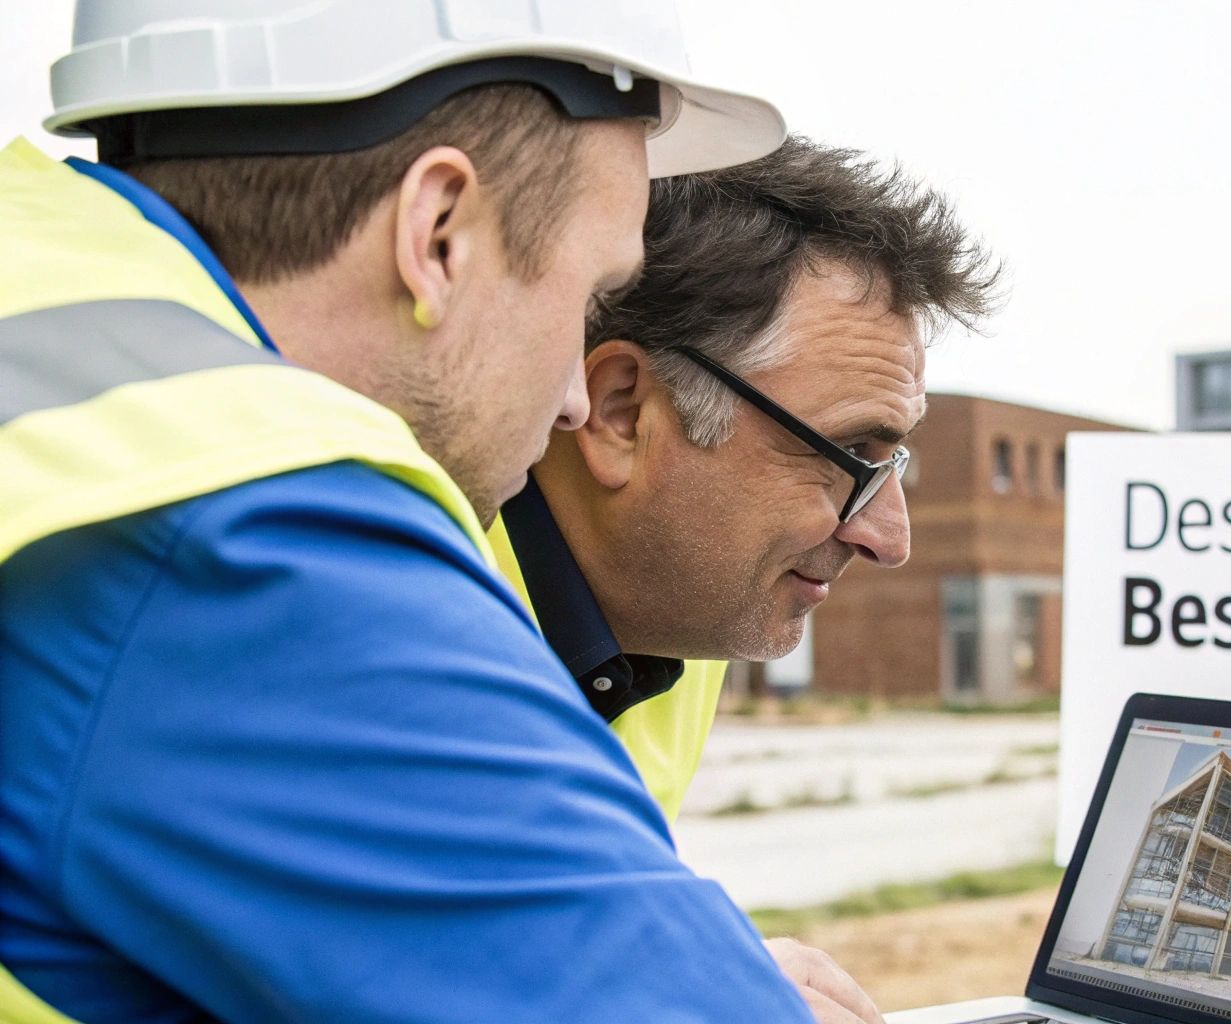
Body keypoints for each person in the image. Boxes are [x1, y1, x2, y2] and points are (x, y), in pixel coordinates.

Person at [0, 2, 819, 1020]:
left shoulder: (39, 313)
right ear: (437, 234)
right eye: (587, 295)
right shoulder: (234, 521)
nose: (573, 394)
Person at [495, 136, 1003, 1023]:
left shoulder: (676, 617)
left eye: (896, 467)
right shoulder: (384, 606)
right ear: (620, 412)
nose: (890, 539)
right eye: (849, 456)